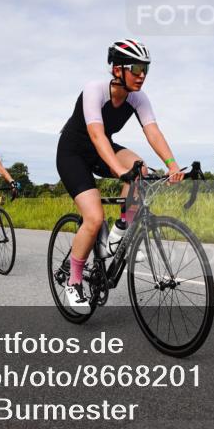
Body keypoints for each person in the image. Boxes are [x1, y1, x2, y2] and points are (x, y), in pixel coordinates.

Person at [56, 39, 183, 312]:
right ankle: (74, 280)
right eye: (135, 68)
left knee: (141, 169)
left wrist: (172, 164)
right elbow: (96, 135)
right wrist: (119, 169)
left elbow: (153, 132)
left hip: (101, 150)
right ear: (117, 70)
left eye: (145, 69)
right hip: (73, 153)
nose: (141, 75)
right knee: (93, 218)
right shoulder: (94, 90)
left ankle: (119, 231)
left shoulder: (138, 97)